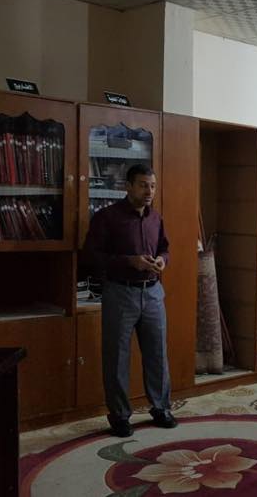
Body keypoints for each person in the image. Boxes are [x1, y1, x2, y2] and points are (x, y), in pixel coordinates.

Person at [84, 164, 175, 438]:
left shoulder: (155, 218)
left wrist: (162, 260)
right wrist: (129, 261)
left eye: (152, 186)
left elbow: (164, 248)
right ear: (128, 186)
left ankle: (161, 408)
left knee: (158, 354)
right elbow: (91, 256)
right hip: (120, 293)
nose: (149, 191)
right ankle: (120, 416)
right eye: (143, 185)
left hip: (153, 292)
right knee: (117, 357)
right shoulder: (107, 217)